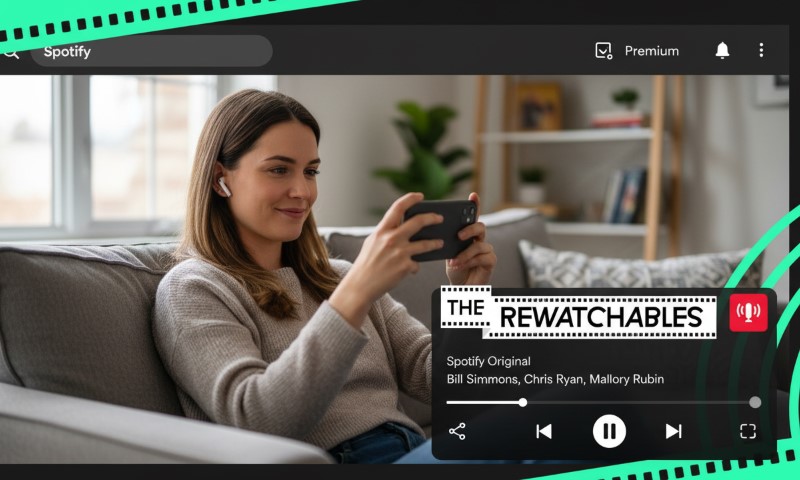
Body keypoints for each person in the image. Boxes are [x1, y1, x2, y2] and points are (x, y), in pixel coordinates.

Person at [152, 88, 497, 464]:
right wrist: (356, 293)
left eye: (311, 171)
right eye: (279, 169)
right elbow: (257, 418)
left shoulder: (339, 277)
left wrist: (468, 297)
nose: (303, 192)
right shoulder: (193, 288)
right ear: (221, 178)